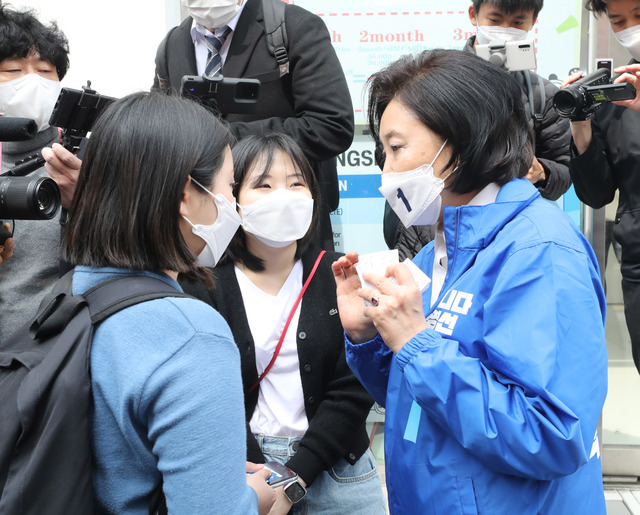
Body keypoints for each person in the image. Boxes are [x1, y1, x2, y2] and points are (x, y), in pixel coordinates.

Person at [333, 49, 608, 514]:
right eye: (383, 152)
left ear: (461, 140)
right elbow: (420, 399)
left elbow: (553, 436)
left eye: (396, 148)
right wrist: (369, 338)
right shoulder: (436, 249)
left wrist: (417, 342)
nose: (386, 170)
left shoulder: (540, 250)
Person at [62, 91, 275, 514]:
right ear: (184, 195)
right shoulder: (190, 334)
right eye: (229, 187)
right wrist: (257, 497)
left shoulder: (71, 293)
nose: (232, 204)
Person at [183, 133, 385, 515]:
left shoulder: (340, 273)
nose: (284, 196)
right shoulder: (203, 283)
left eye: (296, 183)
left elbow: (354, 387)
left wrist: (297, 475)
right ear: (233, 199)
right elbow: (208, 395)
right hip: (245, 470)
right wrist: (264, 475)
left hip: (340, 467)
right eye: (263, 185)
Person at [153, 0, 354, 251]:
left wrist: (222, 139)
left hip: (284, 238)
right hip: (200, 241)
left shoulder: (293, 27)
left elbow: (332, 124)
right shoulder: (172, 45)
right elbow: (161, 133)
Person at [386, 0, 572, 260]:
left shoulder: (543, 95)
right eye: (495, 20)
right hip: (433, 229)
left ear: (533, 22)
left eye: (518, 22)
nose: (505, 30)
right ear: (474, 14)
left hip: (506, 233)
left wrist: (541, 172)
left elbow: (562, 172)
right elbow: (395, 149)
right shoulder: (437, 82)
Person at [566, 0, 640, 376]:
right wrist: (580, 127)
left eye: (638, 16)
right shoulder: (620, 91)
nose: (629, 30)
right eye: (618, 21)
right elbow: (597, 195)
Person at [0, 5, 69, 342]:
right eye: (13, 69)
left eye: (45, 70)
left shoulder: (80, 161)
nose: (32, 81)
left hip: (55, 350)